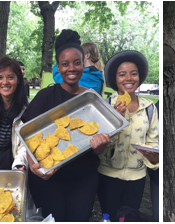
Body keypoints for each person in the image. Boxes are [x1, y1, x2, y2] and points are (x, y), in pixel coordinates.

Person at [21, 30, 111, 222]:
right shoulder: (46, 97)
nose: (72, 68)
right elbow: (27, 134)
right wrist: (32, 162)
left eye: (77, 62)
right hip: (49, 180)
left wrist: (101, 147)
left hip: (83, 180)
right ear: (58, 67)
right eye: (65, 64)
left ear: (83, 64)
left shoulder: (93, 101)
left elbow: (99, 146)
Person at [98, 50, 159, 221]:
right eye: (122, 74)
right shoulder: (106, 105)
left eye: (134, 73)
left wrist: (154, 159)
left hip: (137, 179)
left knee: (129, 218)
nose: (128, 79)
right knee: (108, 218)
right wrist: (116, 120)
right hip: (107, 177)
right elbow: (100, 143)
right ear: (115, 79)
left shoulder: (149, 108)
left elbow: (153, 140)